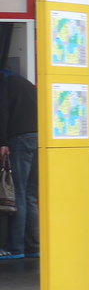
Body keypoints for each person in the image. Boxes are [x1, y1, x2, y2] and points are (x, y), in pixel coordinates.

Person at [0, 69, 38, 259]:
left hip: (20, 138)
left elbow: (3, 111)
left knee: (20, 193)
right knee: (31, 194)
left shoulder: (4, 82)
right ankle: (34, 246)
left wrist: (3, 141)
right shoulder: (22, 81)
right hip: (38, 137)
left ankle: (16, 248)